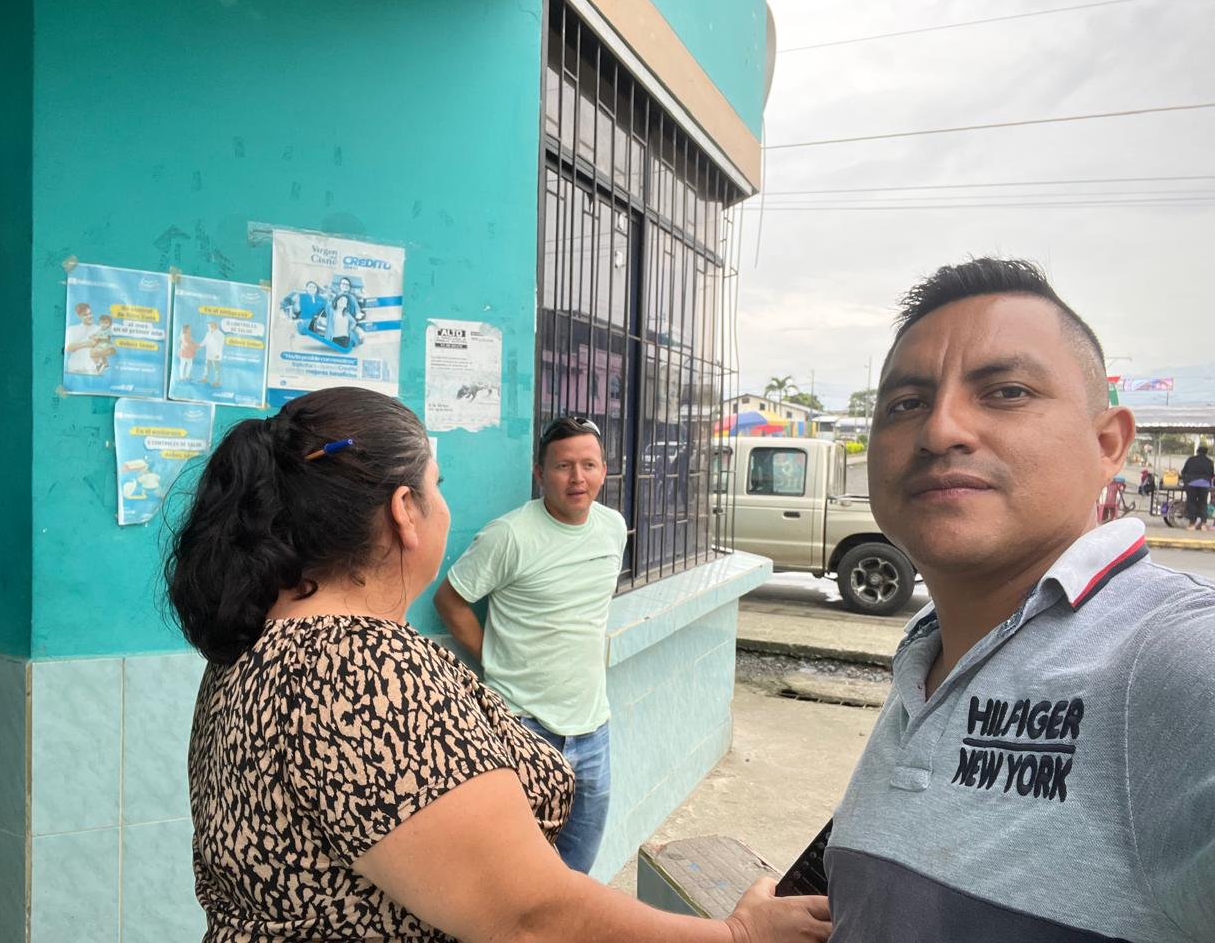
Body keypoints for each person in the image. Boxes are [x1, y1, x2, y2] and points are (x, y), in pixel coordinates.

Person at [166, 388, 830, 943]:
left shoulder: (255, 646)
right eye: (437, 487)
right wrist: (739, 935)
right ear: (405, 512)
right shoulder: (362, 666)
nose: (444, 505)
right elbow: (532, 916)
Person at [826, 258, 1215, 943]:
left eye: (1006, 392)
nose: (940, 430)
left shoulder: (1170, 659)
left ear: (1108, 444)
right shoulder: (932, 644)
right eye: (906, 404)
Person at [433, 417, 625, 874]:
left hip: (593, 730)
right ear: (539, 473)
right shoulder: (510, 535)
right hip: (523, 728)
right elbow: (450, 600)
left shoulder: (613, 527)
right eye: (562, 466)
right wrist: (494, 658)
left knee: (576, 873)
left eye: (588, 465)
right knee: (516, 874)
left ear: (603, 470)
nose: (577, 478)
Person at [1180, 444, 1213, 530]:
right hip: (1205, 484)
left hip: (1192, 484)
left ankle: (1192, 524)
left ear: (1197, 451)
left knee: (1192, 503)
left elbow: (1183, 472)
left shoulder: (1191, 460)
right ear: (1206, 453)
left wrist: (1186, 481)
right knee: (1203, 503)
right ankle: (1203, 525)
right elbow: (1211, 474)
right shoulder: (1210, 461)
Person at [63, 302, 99, 375]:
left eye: (90, 313)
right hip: (74, 368)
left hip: (92, 369)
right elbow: (68, 347)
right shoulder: (72, 329)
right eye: (85, 315)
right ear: (79, 316)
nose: (89, 316)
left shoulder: (99, 329)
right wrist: (87, 343)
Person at [200, 320, 226, 386]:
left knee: (216, 368)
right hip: (209, 353)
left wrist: (218, 353)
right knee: (207, 367)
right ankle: (205, 378)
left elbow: (220, 345)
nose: (209, 327)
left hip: (215, 354)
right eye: (209, 326)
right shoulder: (208, 333)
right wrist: (199, 345)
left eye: (211, 326)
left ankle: (217, 382)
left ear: (215, 326)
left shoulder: (220, 334)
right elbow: (205, 341)